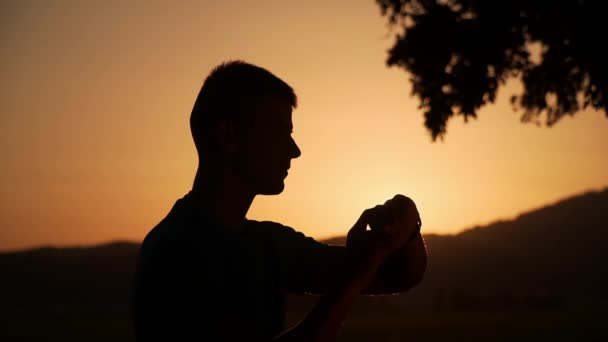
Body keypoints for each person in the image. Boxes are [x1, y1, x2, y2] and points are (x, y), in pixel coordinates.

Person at [131, 61, 427, 342]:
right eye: (281, 132)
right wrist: (353, 279)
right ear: (229, 136)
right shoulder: (175, 251)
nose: (294, 150)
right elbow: (361, 276)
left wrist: (407, 227)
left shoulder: (269, 245)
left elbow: (399, 277)